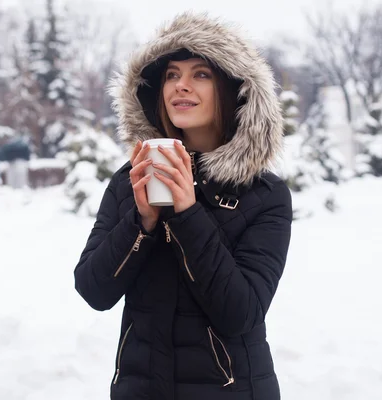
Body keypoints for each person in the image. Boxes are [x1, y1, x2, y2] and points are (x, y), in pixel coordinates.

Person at [74, 12, 292, 400]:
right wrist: (141, 222)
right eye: (172, 75)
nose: (181, 86)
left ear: (233, 89)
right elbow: (93, 289)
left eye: (200, 74)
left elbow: (240, 313)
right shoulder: (131, 180)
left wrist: (189, 214)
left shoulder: (264, 194)